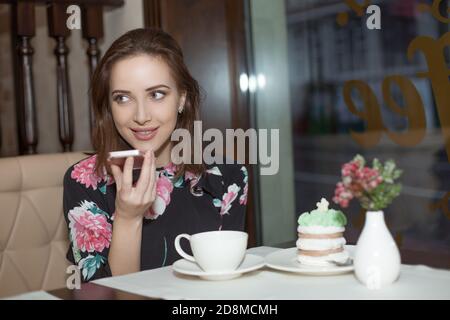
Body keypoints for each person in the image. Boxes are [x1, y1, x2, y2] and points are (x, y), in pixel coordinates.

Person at [63, 28, 248, 282]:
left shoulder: (228, 177)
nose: (141, 116)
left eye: (156, 94)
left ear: (182, 98)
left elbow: (227, 282)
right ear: (109, 106)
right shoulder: (85, 181)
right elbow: (108, 295)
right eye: (123, 98)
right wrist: (128, 217)